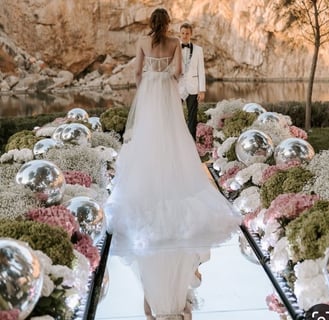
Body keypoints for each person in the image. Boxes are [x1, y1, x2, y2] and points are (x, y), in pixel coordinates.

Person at [104, 7, 241, 320]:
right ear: (167, 25)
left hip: (150, 94)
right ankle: (173, 182)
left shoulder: (141, 41)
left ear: (150, 23)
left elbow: (137, 74)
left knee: (148, 138)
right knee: (173, 136)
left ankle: (149, 184)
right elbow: (179, 73)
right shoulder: (174, 44)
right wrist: (165, 77)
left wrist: (148, 84)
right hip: (166, 93)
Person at [178, 23, 206, 141]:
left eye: (187, 33)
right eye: (183, 33)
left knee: (192, 116)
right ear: (180, 33)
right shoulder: (174, 49)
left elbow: (201, 70)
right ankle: (177, 140)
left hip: (193, 87)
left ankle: (191, 142)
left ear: (191, 34)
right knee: (176, 115)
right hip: (177, 87)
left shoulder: (199, 50)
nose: (184, 36)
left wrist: (202, 90)